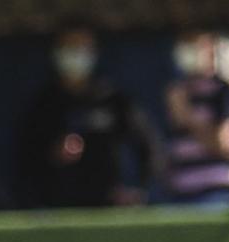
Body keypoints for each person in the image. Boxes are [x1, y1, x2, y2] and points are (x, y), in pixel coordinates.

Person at [16, 21, 159, 208]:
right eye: (70, 46)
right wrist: (54, 155)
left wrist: (140, 189)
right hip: (59, 213)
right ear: (56, 51)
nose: (76, 54)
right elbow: (25, 161)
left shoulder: (114, 101)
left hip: (110, 211)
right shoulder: (43, 105)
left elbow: (149, 148)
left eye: (82, 47)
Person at [164, 30, 229, 206]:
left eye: (194, 46)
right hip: (179, 196)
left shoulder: (223, 92)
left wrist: (187, 116)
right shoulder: (178, 91)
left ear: (209, 50)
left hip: (213, 196)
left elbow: (225, 145)